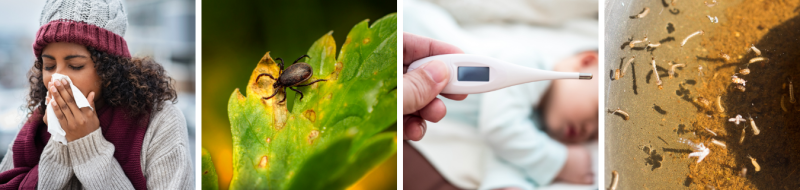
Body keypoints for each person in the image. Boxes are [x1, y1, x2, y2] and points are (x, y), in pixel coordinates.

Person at [0, 0, 193, 189]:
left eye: (75, 65)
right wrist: (61, 142)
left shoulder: (160, 121)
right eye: (49, 66)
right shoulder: (34, 127)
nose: (56, 79)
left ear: (109, 68)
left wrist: (88, 147)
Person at [403, 32, 598, 189]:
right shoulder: (526, 60)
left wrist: (508, 184)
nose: (590, 130)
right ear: (586, 63)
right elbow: (500, 127)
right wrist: (559, 162)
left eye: (595, 134)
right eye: (597, 113)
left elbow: (507, 156)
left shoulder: (534, 128)